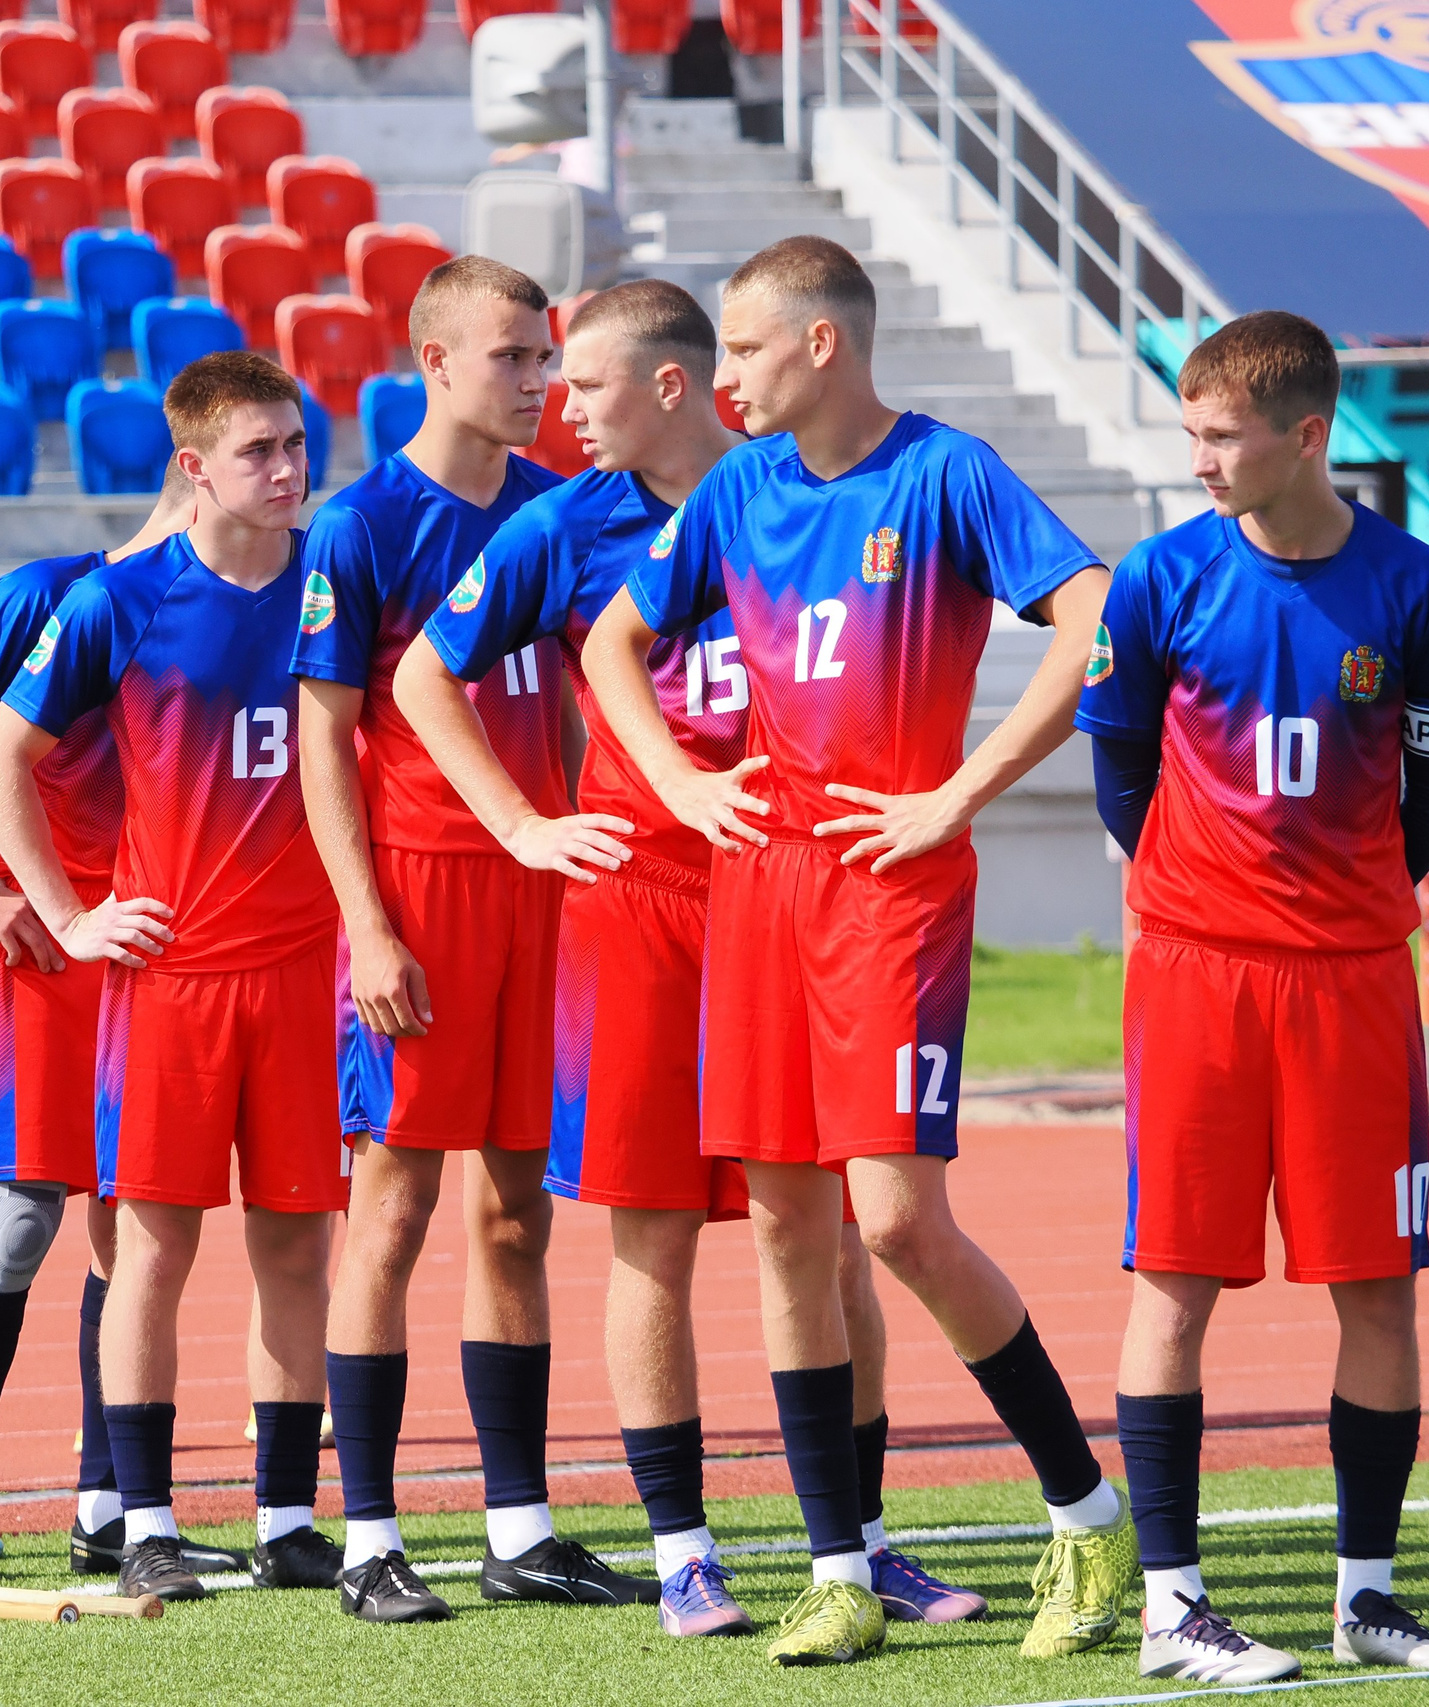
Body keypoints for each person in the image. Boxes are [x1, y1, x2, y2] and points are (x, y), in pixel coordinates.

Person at [401, 280, 988, 1639]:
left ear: (671, 386)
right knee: (651, 1234)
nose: (563, 408)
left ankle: (864, 1540)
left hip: (799, 897)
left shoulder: (789, 486)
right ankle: (682, 1551)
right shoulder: (562, 524)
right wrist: (522, 823)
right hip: (643, 912)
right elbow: (426, 674)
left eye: (588, 386)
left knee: (837, 1232)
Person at [582, 236, 1128, 1667]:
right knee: (785, 1224)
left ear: (820, 346)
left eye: (749, 354)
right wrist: (684, 787)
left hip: (891, 888)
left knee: (894, 1219)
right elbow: (609, 647)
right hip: (760, 889)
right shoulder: (740, 488)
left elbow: (1094, 618)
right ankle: (838, 1566)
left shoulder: (946, 472)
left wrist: (962, 788)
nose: (731, 382)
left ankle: (1086, 1507)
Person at [1080, 311, 1429, 1683]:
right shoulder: (1158, 579)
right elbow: (1123, 780)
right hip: (1197, 977)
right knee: (1176, 1281)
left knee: (1378, 1288)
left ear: (1306, 435)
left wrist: (1346, 898)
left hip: (1359, 981)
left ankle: (1369, 1597)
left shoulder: (1421, 590)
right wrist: (1214, 901)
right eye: (1187, 431)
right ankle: (1174, 1604)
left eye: (1218, 435)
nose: (1195, 459)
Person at [292, 255, 652, 1623]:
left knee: (520, 1207)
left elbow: (568, 702)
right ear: (435, 361)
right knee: (390, 1204)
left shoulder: (559, 513)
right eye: (513, 357)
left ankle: (521, 1523)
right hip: (424, 899)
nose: (541, 381)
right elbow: (329, 740)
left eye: (547, 357)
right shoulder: (363, 522)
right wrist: (368, 925)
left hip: (537, 893)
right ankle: (372, 1532)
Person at [0, 352, 347, 1603]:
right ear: (194, 470)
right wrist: (69, 918)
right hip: (171, 980)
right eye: (258, 452)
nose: (287, 470)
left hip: (300, 976)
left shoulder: (337, 586)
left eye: (296, 445)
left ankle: (288, 1516)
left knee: (298, 1251)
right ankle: (143, 1524)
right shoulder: (119, 603)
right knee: (152, 1252)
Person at [0, 472, 243, 1582]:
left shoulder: (251, 595)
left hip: (165, 957)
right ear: (195, 472)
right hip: (45, 951)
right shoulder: (51, 595)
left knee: (131, 1229)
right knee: (26, 1217)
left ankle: (107, 1506)